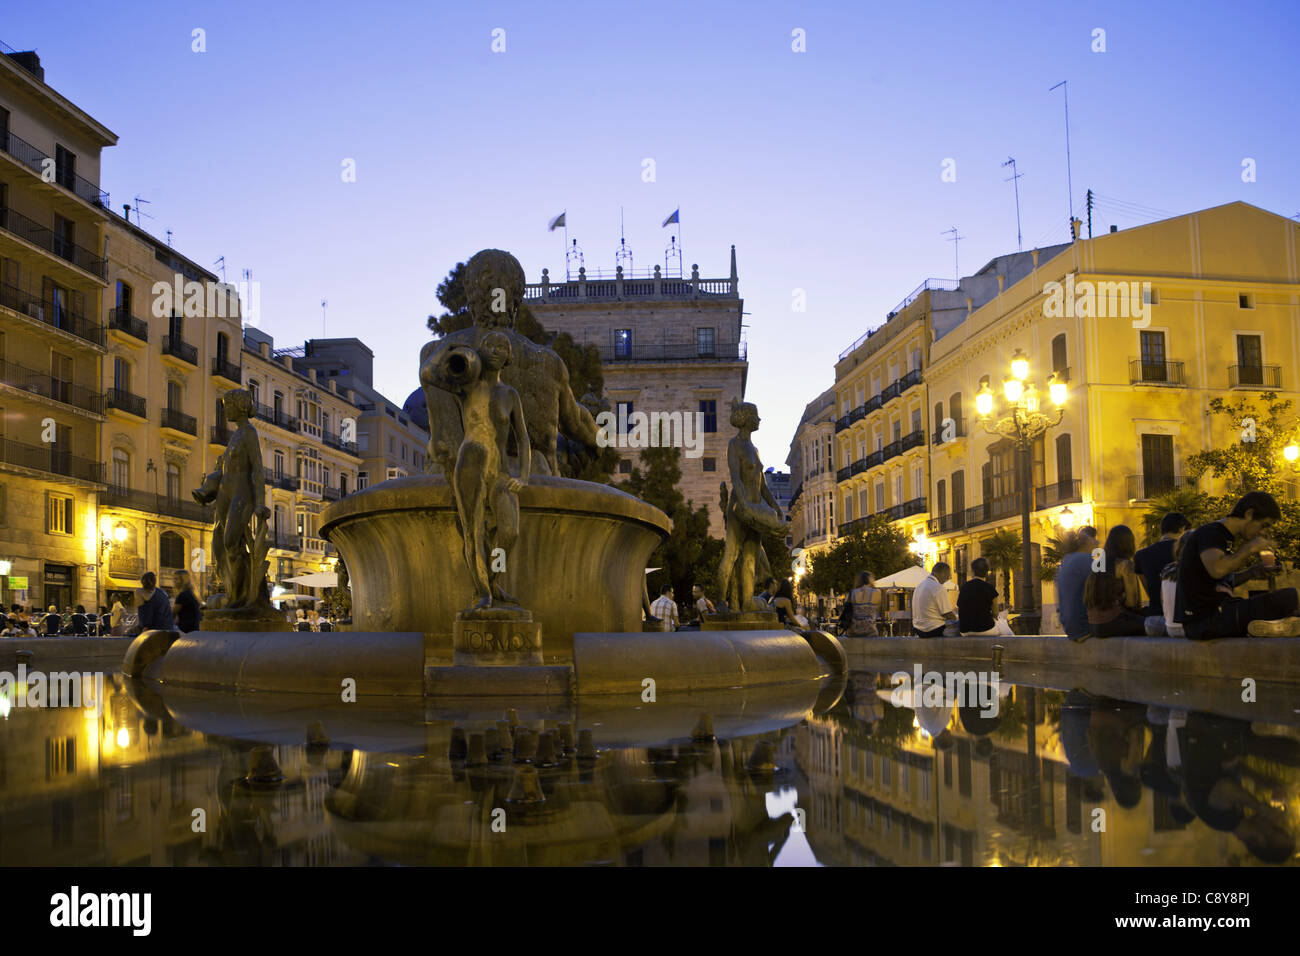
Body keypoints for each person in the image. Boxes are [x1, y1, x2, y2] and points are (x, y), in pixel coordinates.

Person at [1174, 491, 1300, 639]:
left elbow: (1222, 581)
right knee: (1291, 596)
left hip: (1216, 616)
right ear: (1249, 514)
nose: (1264, 532)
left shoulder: (1225, 537)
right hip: (1206, 621)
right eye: (1264, 525)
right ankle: (1275, 625)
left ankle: (1275, 626)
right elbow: (1217, 570)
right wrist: (1249, 548)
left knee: (1289, 606)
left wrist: (1253, 571)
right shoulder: (1211, 533)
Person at [1082, 525, 1148, 639]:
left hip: (1094, 625)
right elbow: (1132, 602)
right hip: (1113, 622)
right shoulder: (1125, 565)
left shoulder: (1098, 563)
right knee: (1153, 622)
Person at [1134, 512, 1190, 616]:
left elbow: (1148, 589)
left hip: (1155, 616)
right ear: (1182, 529)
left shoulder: (1141, 555)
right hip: (1182, 616)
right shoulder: (1188, 553)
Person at [1056, 525, 1099, 640]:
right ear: (1084, 543)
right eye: (1093, 539)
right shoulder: (1086, 560)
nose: (1097, 541)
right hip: (1085, 627)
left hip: (1071, 629)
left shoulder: (1066, 560)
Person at [957, 557, 1000, 636]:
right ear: (987, 572)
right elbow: (995, 613)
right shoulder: (989, 588)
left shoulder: (964, 587)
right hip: (986, 629)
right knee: (1003, 630)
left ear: (973, 572)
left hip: (965, 630)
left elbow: (960, 606)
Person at [1160, 532, 1192, 638]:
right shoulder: (1198, 569)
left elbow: (1162, 600)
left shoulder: (1167, 570)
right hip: (1190, 628)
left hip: (1170, 628)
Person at [913, 563, 956, 637]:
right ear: (942, 573)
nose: (948, 578)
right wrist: (956, 618)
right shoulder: (939, 588)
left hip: (918, 629)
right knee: (960, 627)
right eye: (948, 575)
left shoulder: (919, 586)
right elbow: (947, 613)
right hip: (933, 629)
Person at [845, 570, 882, 637]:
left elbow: (847, 609)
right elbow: (879, 609)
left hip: (854, 630)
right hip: (870, 630)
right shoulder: (877, 592)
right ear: (871, 580)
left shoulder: (853, 592)